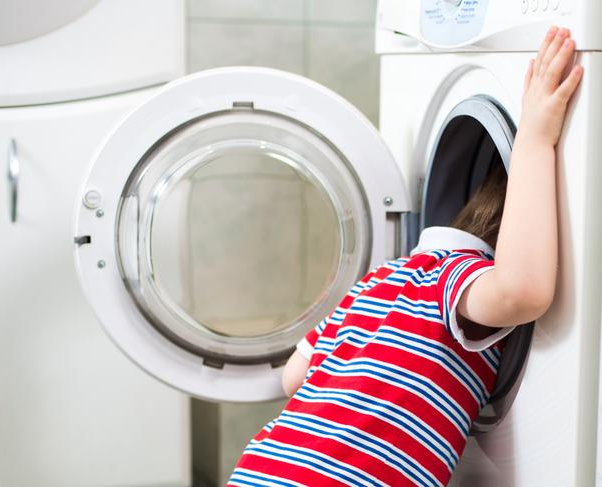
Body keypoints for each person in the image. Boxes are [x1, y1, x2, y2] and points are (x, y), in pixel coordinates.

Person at [228, 26, 583, 487]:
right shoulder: (458, 276)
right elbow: (522, 290)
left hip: (263, 470)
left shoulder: (374, 284)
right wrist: (534, 138)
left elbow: (295, 379)